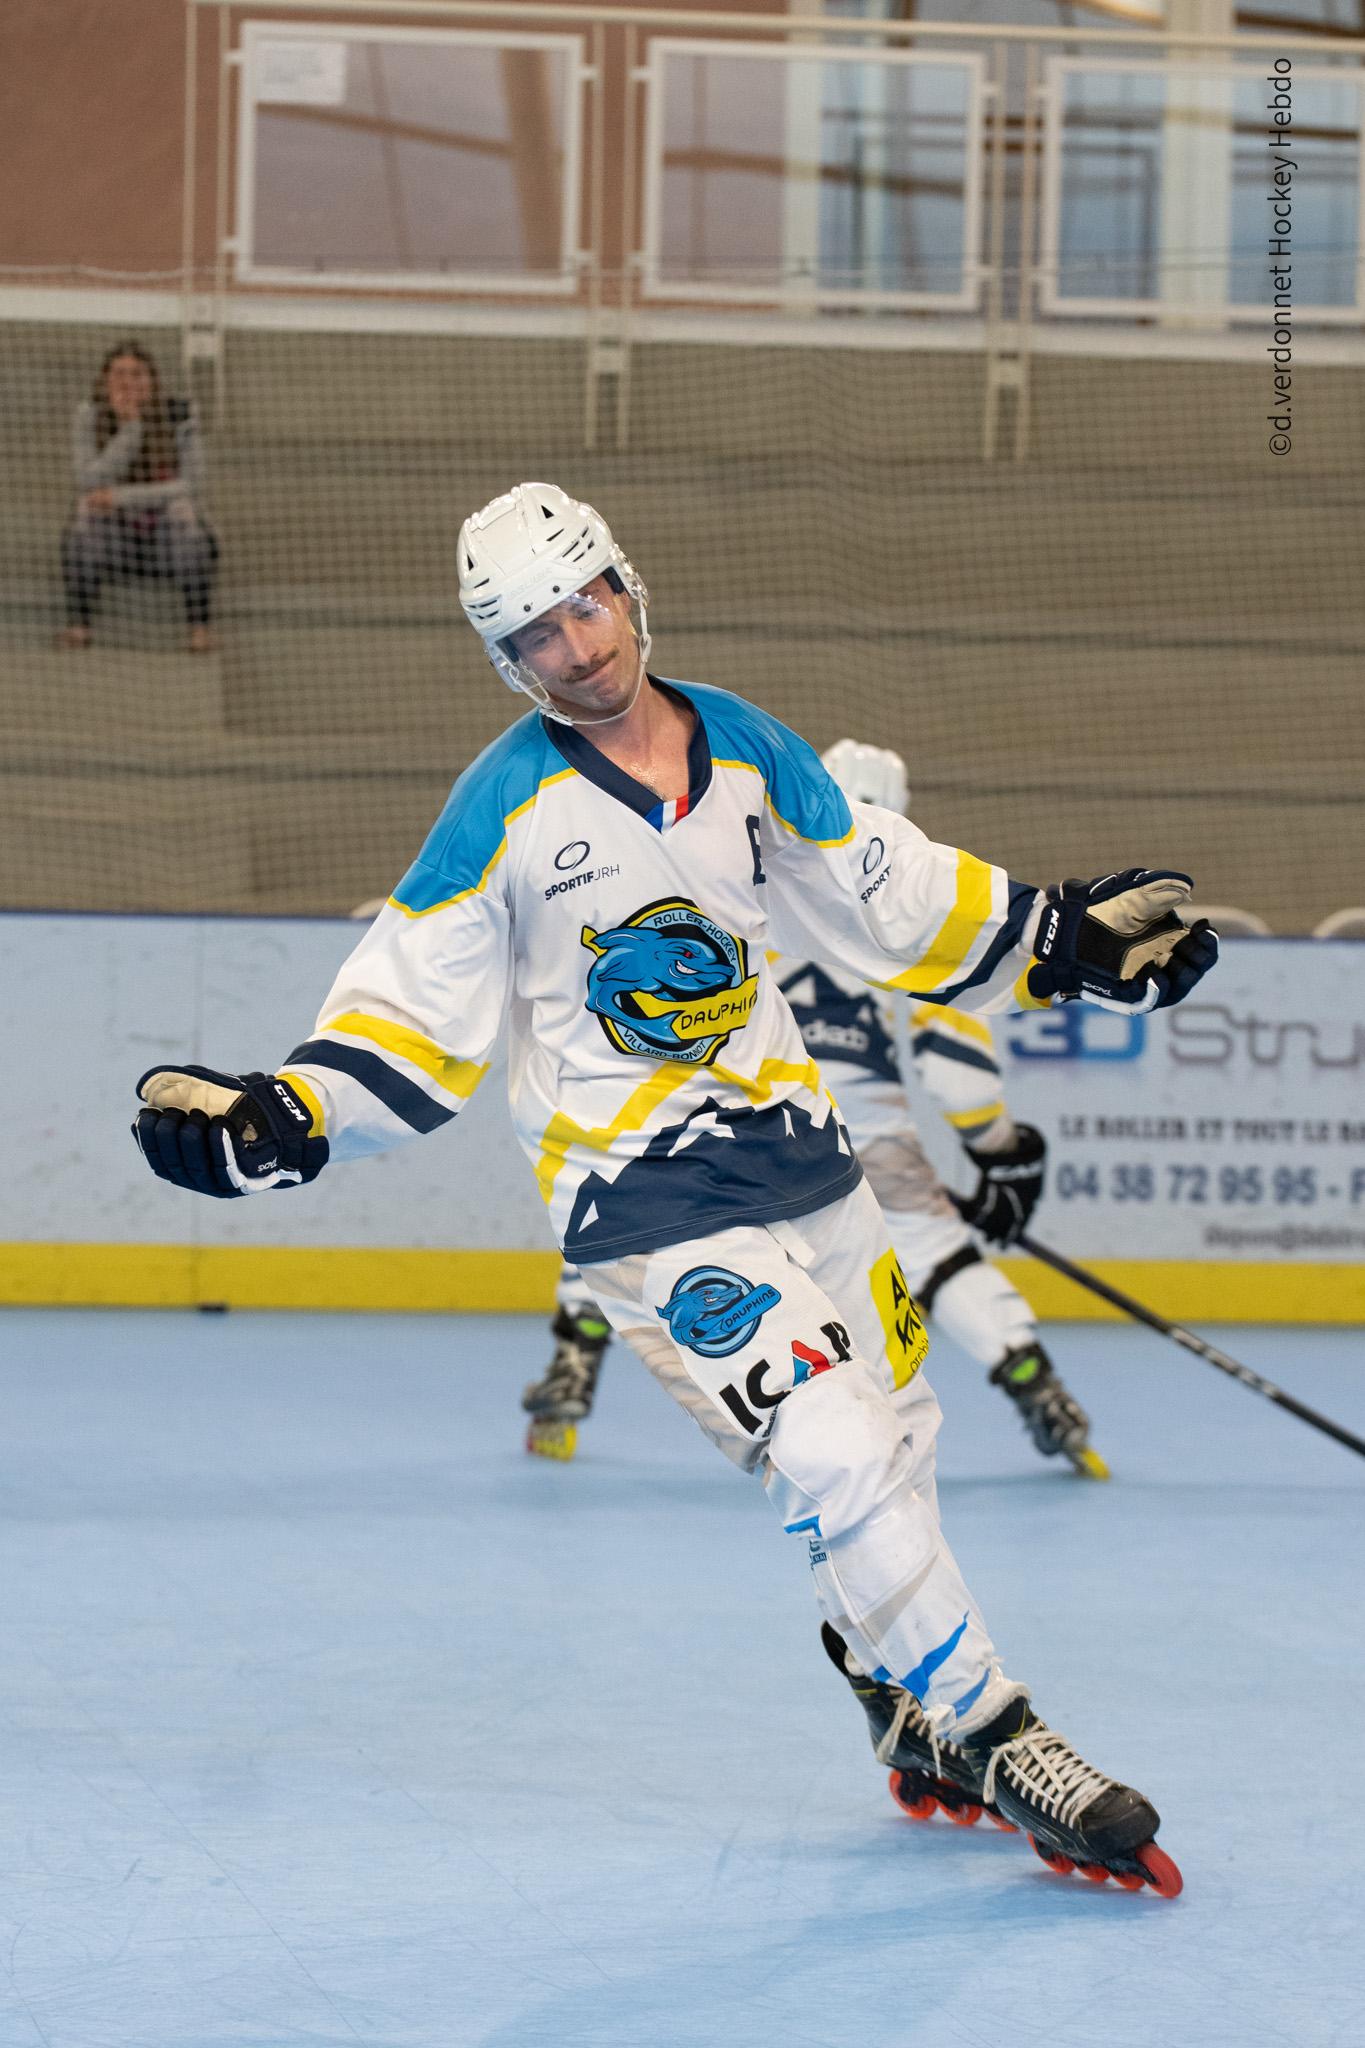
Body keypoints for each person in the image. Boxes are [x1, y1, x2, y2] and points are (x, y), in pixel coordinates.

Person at [130, 482, 1216, 1894]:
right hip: (646, 1204)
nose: (575, 648)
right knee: (829, 1450)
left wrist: (1055, 937)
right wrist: (290, 1113)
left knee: (897, 1442)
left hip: (809, 1168)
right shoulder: (502, 808)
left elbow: (885, 892)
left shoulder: (750, 746)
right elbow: (410, 1010)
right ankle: (1001, 1734)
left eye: (585, 605)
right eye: (532, 637)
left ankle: (897, 1697)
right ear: (505, 665)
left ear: (627, 587)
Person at [525, 738, 1107, 1479]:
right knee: (932, 1247)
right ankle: (1035, 1383)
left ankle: (574, 1363)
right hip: (862, 1128)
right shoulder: (908, 904)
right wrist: (1001, 1156)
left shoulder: (718, 883)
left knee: (635, 1211)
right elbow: (956, 1072)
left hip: (731, 1118)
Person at [58, 341, 218, 654]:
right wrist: (130, 430)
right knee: (85, 514)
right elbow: (88, 480)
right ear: (105, 380)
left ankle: (199, 628)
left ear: (153, 381)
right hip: (115, 541)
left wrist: (120, 497)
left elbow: (192, 484)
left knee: (184, 512)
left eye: (137, 374)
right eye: (119, 374)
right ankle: (79, 625)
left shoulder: (180, 414)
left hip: (165, 540)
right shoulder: (89, 415)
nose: (128, 382)